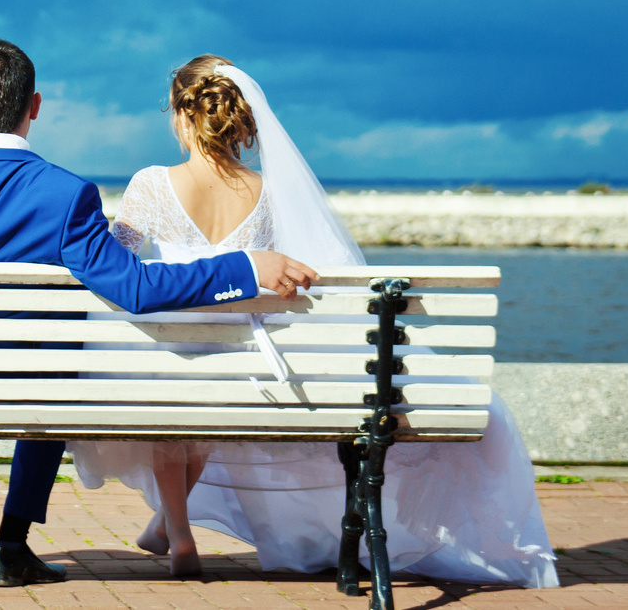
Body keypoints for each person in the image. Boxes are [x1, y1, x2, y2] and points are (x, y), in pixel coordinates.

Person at [67, 54, 559, 587]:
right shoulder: (265, 191)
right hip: (239, 356)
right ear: (239, 119)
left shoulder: (151, 183)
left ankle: (178, 530)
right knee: (207, 387)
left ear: (185, 116)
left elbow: (119, 263)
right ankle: (168, 524)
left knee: (170, 383)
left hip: (169, 349)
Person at [0, 39, 319, 587]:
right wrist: (244, 266)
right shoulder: (67, 194)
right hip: (25, 386)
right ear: (35, 106)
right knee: (58, 370)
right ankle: (11, 544)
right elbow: (136, 288)